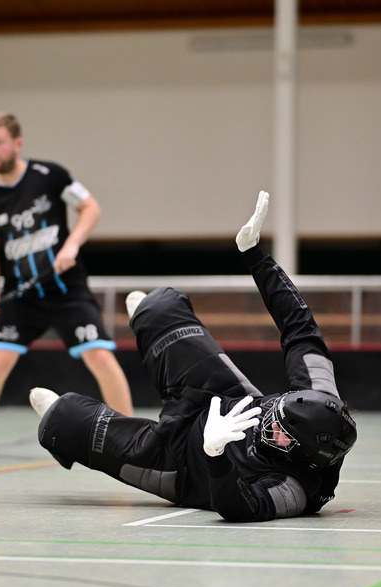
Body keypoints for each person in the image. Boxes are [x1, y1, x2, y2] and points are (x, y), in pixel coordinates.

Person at [28, 191, 357, 522]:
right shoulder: (318, 393)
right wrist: (255, 255)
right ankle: (145, 315)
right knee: (161, 307)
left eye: (278, 433)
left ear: (306, 455)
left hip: (179, 464)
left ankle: (60, 415)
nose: (268, 423)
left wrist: (214, 453)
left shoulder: (298, 490)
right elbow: (299, 327)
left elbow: (242, 507)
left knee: (64, 420)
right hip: (222, 399)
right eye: (277, 412)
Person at [0, 112, 133, 457]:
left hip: (66, 289)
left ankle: (133, 435)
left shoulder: (50, 175)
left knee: (100, 357)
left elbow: (90, 208)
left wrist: (72, 244)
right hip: (22, 294)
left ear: (17, 144)